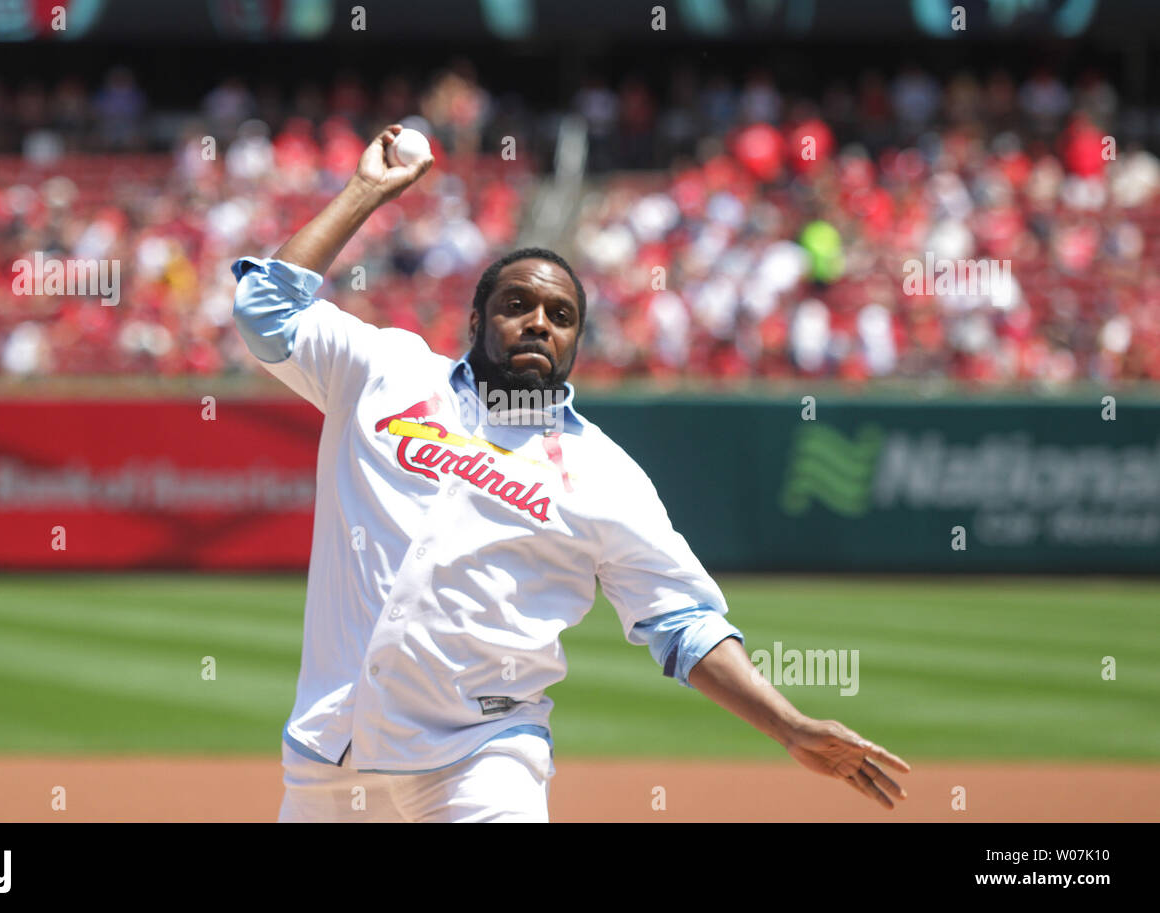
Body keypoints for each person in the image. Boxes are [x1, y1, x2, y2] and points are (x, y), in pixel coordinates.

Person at [231, 125, 910, 822]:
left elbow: (684, 622)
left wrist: (789, 725)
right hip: (329, 756)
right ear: (476, 318)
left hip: (483, 758)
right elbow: (264, 310)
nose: (538, 323)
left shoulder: (602, 473)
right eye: (516, 304)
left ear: (576, 342)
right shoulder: (386, 369)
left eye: (560, 315)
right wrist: (365, 191)